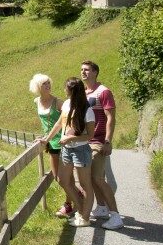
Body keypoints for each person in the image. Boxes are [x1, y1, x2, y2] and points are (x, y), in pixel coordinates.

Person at [41, 77, 96, 227]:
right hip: (66, 149)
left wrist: (71, 139)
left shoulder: (86, 109)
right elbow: (60, 123)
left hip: (80, 150)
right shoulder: (66, 104)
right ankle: (80, 209)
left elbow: (89, 135)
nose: (64, 90)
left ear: (71, 90)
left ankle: (84, 218)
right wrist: (47, 139)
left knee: (85, 185)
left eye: (66, 88)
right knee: (63, 180)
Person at [82, 60, 123, 230]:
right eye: (82, 70)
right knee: (91, 178)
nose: (83, 72)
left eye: (87, 70)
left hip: (98, 141)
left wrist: (108, 141)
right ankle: (101, 208)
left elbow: (111, 117)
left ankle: (115, 216)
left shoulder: (103, 92)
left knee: (98, 178)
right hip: (86, 141)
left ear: (95, 72)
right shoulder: (84, 93)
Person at [29, 73, 75, 218]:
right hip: (50, 142)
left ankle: (69, 204)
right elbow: (45, 123)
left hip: (62, 142)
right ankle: (77, 194)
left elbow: (69, 118)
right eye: (44, 84)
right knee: (57, 176)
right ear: (38, 87)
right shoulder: (37, 101)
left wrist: (68, 134)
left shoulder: (58, 102)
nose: (48, 86)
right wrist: (44, 137)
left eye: (49, 83)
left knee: (66, 177)